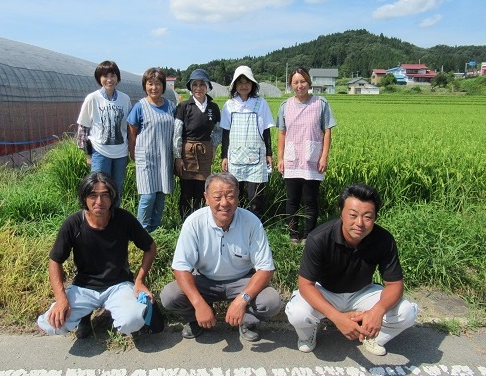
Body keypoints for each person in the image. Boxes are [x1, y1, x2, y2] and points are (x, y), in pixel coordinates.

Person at [285, 183, 418, 355]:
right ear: (341, 213)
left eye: (368, 217)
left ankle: (371, 336)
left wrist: (378, 310)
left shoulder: (384, 239)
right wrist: (337, 318)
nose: (359, 223)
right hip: (325, 291)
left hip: (362, 292)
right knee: (297, 312)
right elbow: (305, 284)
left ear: (375, 217)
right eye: (353, 215)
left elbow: (395, 285)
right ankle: (307, 335)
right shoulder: (319, 238)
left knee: (406, 312)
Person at [37, 172, 162, 339]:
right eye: (93, 195)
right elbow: (55, 261)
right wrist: (61, 298)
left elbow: (150, 247)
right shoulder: (73, 224)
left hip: (119, 285)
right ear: (84, 198)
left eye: (105, 195)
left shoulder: (123, 219)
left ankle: (117, 311)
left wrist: (139, 280)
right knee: (51, 325)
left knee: (131, 321)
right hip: (84, 287)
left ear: (112, 198)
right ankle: (84, 315)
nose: (99, 202)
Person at [160, 172, 282, 342]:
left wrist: (241, 300)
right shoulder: (193, 223)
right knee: (170, 295)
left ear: (238, 197)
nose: (224, 203)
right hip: (204, 280)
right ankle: (197, 318)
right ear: (206, 198)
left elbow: (265, 269)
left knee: (272, 300)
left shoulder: (251, 222)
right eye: (217, 197)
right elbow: (181, 268)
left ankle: (247, 321)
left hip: (242, 280)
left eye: (230, 196)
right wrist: (198, 304)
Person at [276, 67, 336, 244]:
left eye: (302, 81)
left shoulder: (320, 103)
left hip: (312, 158)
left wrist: (324, 157)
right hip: (291, 158)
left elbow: (327, 131)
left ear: (309, 82)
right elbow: (282, 133)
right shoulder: (285, 106)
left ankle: (309, 235)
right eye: (295, 82)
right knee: (292, 200)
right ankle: (293, 235)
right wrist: (280, 158)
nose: (299, 85)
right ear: (291, 84)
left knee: (310, 200)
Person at [220, 66, 275, 220]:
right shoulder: (229, 105)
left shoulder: (260, 103)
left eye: (247, 82)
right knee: (235, 194)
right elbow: (226, 132)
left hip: (256, 157)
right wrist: (224, 156)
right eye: (240, 82)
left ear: (253, 85)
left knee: (256, 197)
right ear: (234, 85)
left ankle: (256, 227)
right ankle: (236, 225)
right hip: (235, 157)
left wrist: (269, 153)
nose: (244, 86)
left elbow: (265, 130)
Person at [76, 60, 131, 207]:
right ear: (99, 78)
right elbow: (83, 128)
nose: (109, 80)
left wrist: (130, 150)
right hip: (100, 152)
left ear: (118, 78)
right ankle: (95, 220)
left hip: (120, 153)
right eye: (105, 76)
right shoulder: (92, 98)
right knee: (97, 188)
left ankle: (114, 220)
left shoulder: (124, 99)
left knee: (117, 189)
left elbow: (128, 128)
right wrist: (88, 155)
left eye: (113, 75)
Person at [127, 67, 176, 232]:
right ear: (145, 86)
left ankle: (155, 228)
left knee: (161, 194)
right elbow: (132, 132)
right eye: (150, 84)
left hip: (164, 157)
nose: (154, 88)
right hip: (146, 157)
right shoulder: (140, 107)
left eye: (157, 84)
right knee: (148, 196)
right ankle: (141, 230)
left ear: (163, 86)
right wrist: (132, 152)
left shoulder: (171, 106)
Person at [174, 68, 222, 220]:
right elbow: (177, 133)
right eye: (195, 84)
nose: (198, 88)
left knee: (202, 190)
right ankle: (185, 222)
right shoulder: (184, 106)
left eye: (202, 84)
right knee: (186, 190)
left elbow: (218, 130)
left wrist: (213, 147)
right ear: (190, 87)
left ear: (207, 86)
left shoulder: (213, 107)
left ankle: (200, 221)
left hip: (204, 152)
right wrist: (178, 157)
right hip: (186, 152)